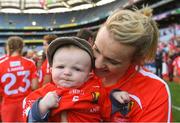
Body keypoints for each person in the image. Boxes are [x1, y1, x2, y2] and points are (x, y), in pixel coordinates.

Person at [93, 7, 173, 122]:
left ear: (137, 60)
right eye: (96, 49)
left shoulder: (154, 92)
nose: (97, 64)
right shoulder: (74, 66)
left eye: (112, 61)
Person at [23, 37, 131, 122]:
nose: (67, 72)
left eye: (77, 69)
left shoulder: (95, 89)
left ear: (88, 76)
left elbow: (108, 110)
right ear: (51, 70)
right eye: (60, 67)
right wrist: (42, 106)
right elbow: (28, 115)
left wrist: (115, 98)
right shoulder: (45, 93)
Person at [0, 36, 39, 122]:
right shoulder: (30, 63)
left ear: (8, 47)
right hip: (26, 103)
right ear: (22, 47)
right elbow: (35, 86)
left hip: (8, 105)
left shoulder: (1, 64)